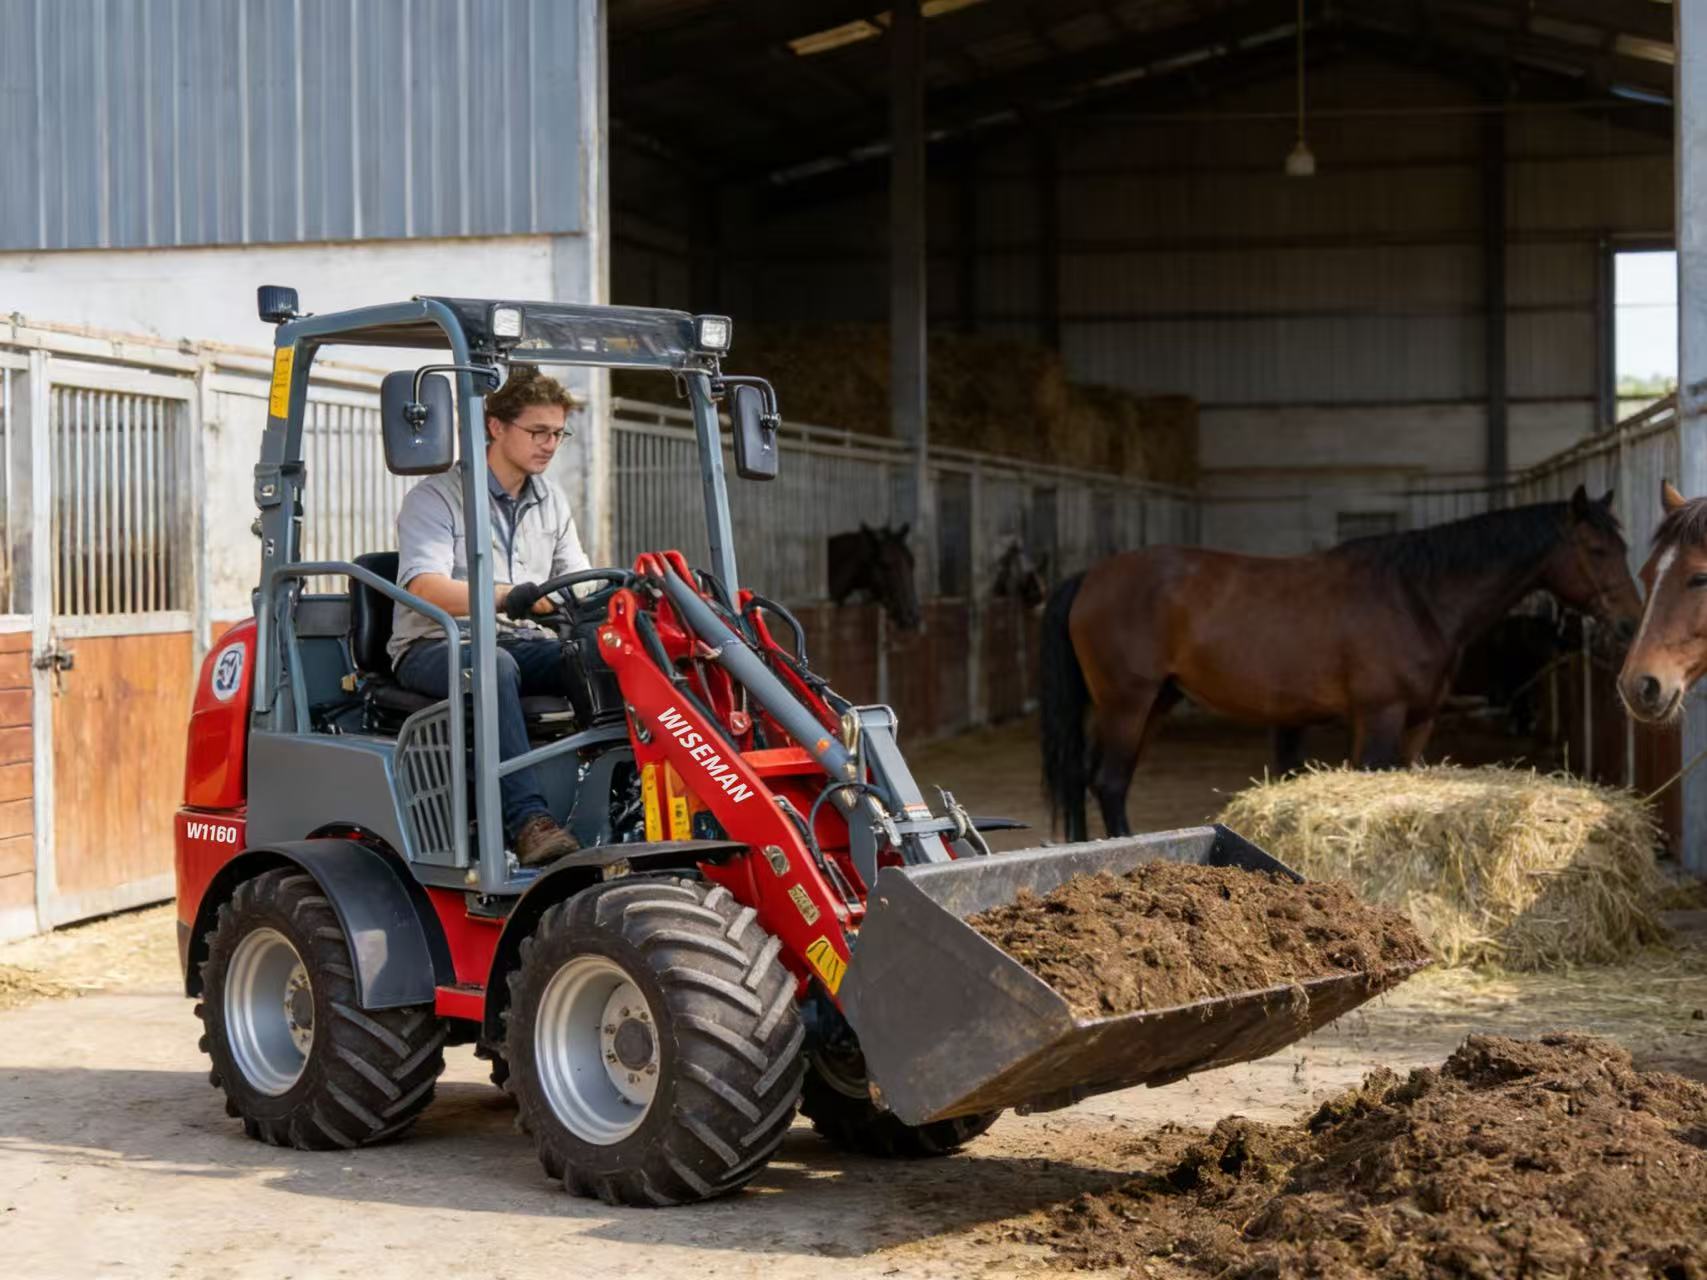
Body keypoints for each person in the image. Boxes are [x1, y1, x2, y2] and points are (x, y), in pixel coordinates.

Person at [389, 364, 590, 867]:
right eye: (538, 432)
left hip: (515, 639)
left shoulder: (552, 501)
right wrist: (507, 597)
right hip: (436, 644)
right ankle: (528, 823)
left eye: (558, 434)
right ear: (496, 426)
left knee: (594, 655)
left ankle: (615, 792)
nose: (549, 444)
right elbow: (423, 585)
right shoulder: (436, 498)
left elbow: (579, 580)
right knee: (493, 665)